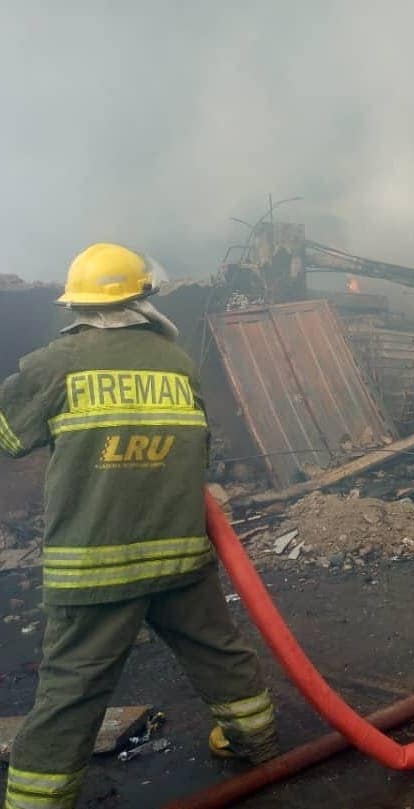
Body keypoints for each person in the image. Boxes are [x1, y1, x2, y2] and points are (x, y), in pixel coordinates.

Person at [1, 243, 278, 809]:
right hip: (179, 552)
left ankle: (34, 802)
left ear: (76, 304)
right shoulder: (178, 362)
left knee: (71, 691)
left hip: (93, 566)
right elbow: (198, 446)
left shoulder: (57, 363)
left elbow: (8, 436)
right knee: (219, 652)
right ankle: (259, 741)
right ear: (144, 297)